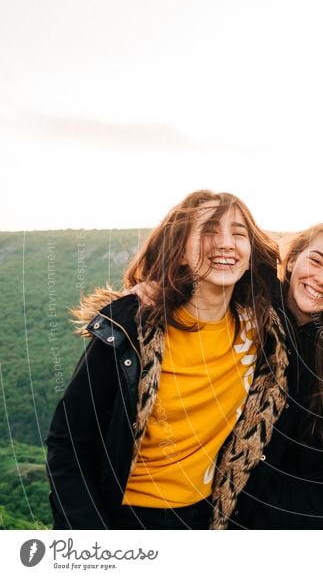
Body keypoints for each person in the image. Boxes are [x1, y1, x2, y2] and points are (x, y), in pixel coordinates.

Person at [46, 190, 289, 530]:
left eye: (238, 233)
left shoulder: (261, 328)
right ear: (180, 252)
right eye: (208, 231)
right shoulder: (133, 327)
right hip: (120, 517)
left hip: (202, 517)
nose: (225, 243)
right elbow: (67, 443)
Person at [216, 223, 323, 529]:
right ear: (292, 260)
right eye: (316, 261)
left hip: (303, 518)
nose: (322, 279)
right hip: (224, 505)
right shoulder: (251, 307)